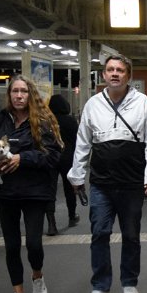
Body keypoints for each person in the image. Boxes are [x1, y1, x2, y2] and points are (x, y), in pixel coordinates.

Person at [68, 55, 147, 293]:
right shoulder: (93, 104)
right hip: (101, 183)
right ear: (103, 76)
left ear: (128, 75)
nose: (114, 74)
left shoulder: (142, 103)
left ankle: (129, 282)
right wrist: (76, 175)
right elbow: (83, 142)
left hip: (132, 183)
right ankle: (100, 288)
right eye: (110, 70)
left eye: (120, 70)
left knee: (131, 234)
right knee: (99, 233)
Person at [0, 75, 63, 293]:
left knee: (33, 244)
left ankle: (37, 274)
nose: (19, 95)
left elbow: (53, 156)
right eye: (15, 91)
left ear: (30, 94)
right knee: (12, 246)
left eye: (23, 91)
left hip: (34, 192)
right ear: (9, 95)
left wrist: (22, 159)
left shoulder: (42, 121)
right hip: (6, 193)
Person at [45, 94, 79, 233]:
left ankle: (51, 223)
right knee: (69, 188)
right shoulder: (70, 121)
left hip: (50, 158)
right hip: (67, 157)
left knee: (50, 190)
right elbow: (77, 141)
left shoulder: (46, 121)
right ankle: (72, 214)